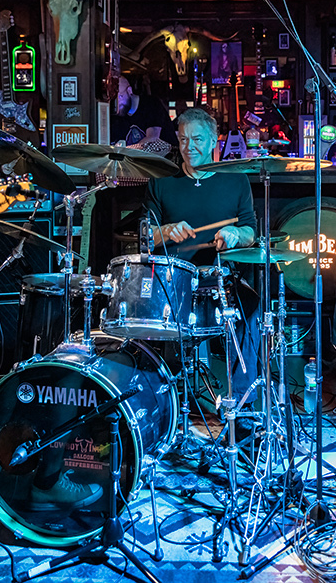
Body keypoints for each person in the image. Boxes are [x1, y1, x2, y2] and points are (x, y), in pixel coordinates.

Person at [143, 108, 259, 417]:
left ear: (213, 141)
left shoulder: (235, 180)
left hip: (221, 276)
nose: (189, 146)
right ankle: (165, 406)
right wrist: (165, 230)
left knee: (251, 308)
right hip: (173, 278)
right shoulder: (162, 181)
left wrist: (235, 234)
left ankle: (242, 406)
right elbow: (145, 236)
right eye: (183, 139)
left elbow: (250, 231)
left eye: (197, 139)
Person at [111, 75, 177, 155]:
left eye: (120, 97)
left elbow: (152, 139)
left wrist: (124, 150)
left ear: (129, 90)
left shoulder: (151, 104)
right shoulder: (118, 117)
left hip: (167, 158)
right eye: (113, 99)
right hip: (136, 160)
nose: (117, 103)